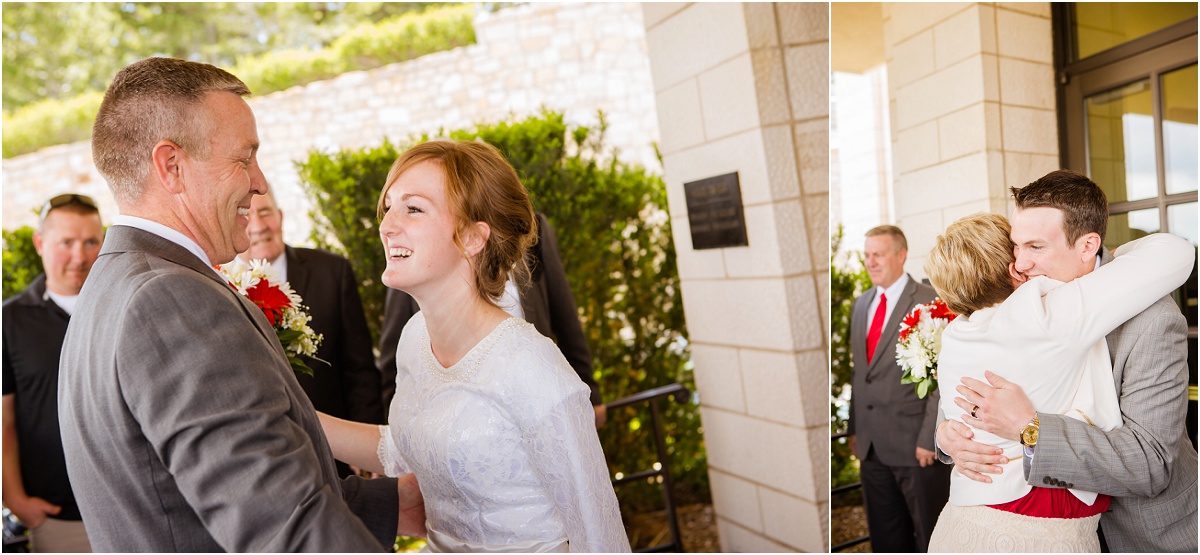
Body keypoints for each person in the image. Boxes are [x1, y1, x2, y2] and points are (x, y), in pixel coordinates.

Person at [56, 57, 424, 552]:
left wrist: (391, 503)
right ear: (171, 166)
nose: (260, 181)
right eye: (243, 157)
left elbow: (205, 494)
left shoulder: (111, 287)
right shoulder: (170, 300)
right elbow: (285, 531)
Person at [319, 139, 630, 552]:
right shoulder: (414, 339)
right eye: (389, 206)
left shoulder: (530, 365)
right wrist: (287, 409)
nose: (387, 225)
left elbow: (600, 534)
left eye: (413, 208)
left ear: (471, 237)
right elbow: (406, 446)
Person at [936, 170, 1198, 552]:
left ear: (1088, 244)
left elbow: (1150, 463)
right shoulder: (1015, 301)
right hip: (1039, 530)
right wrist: (949, 435)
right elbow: (972, 372)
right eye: (1016, 246)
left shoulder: (1153, 320)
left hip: (1141, 535)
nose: (1020, 264)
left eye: (1036, 247)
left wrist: (1030, 428)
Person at [377, 212, 608, 427]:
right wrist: (396, 431)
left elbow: (565, 317)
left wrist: (590, 392)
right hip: (458, 424)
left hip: (537, 407)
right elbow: (393, 363)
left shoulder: (530, 227)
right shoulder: (414, 253)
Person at [242, 189, 386, 477]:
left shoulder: (332, 271)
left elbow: (359, 369)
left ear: (280, 217)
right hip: (263, 460)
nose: (258, 226)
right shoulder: (222, 286)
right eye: (247, 215)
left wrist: (366, 448)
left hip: (337, 456)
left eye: (266, 212)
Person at [2, 194, 104, 552]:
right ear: (40, 243)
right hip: (59, 520)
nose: (80, 256)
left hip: (138, 507)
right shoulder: (9, 322)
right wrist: (16, 499)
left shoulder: (125, 305)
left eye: (91, 242)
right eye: (66, 243)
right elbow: (4, 423)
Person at [846, 225, 951, 552]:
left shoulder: (929, 301)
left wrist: (928, 438)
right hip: (871, 447)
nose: (870, 262)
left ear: (901, 255)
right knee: (886, 539)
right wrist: (854, 428)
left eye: (878, 254)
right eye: (866, 255)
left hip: (915, 448)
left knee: (929, 536)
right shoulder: (860, 305)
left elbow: (942, 377)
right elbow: (860, 374)